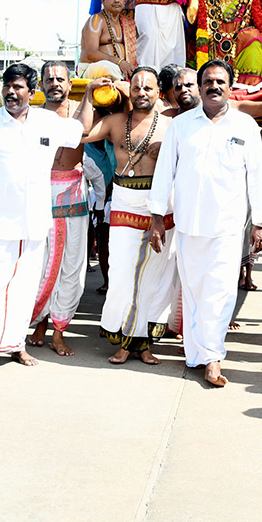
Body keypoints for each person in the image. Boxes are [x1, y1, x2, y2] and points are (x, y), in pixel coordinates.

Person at [0, 63, 83, 376]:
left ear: (32, 91)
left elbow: (79, 133)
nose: (11, 92)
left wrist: (89, 93)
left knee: (24, 287)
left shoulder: (47, 121)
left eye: (19, 87)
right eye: (8, 86)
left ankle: (15, 345)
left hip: (35, 221)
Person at [148, 59, 262, 386]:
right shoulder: (181, 125)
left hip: (228, 226)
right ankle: (197, 354)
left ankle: (213, 357)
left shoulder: (245, 126)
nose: (214, 87)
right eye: (208, 82)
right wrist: (156, 218)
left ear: (231, 87)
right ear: (200, 87)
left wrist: (261, 220)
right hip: (189, 223)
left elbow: (258, 176)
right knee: (194, 291)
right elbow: (164, 175)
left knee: (220, 292)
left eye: (220, 82)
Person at [78, 68, 178, 364]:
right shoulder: (114, 122)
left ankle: (141, 344)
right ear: (128, 91)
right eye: (136, 87)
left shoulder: (172, 124)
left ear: (159, 91)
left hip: (159, 204)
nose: (142, 92)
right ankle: (124, 338)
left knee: (153, 277)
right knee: (121, 274)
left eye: (148, 87)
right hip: (123, 201)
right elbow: (81, 134)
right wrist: (87, 94)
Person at [28, 62, 90, 357]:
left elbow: (83, 132)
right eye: (49, 79)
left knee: (71, 265)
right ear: (40, 84)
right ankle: (38, 322)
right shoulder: (31, 116)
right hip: (40, 192)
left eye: (60, 79)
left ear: (69, 83)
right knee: (39, 263)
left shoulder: (81, 109)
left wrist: (89, 93)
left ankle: (59, 330)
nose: (54, 83)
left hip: (73, 193)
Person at [80, 0, 136, 79]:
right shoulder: (96, 20)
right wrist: (119, 62)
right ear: (103, 1)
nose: (117, 1)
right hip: (92, 68)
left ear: (124, 1)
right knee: (107, 67)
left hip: (120, 69)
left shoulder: (128, 22)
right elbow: (91, 53)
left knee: (148, 69)